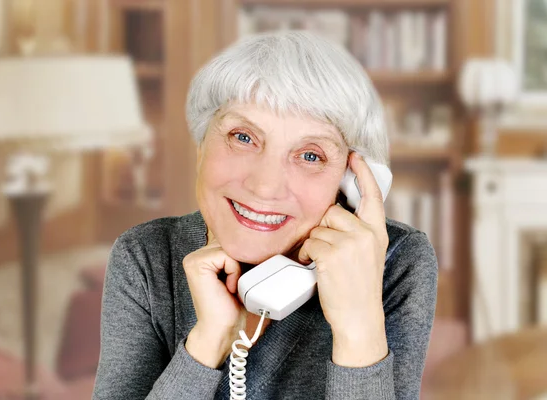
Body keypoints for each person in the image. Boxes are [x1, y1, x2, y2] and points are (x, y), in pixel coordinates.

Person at [92, 30, 438, 400]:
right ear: (201, 146)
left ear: (350, 183)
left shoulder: (397, 262)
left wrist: (358, 327)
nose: (265, 186)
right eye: (243, 137)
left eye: (310, 156)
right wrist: (208, 343)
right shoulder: (144, 257)